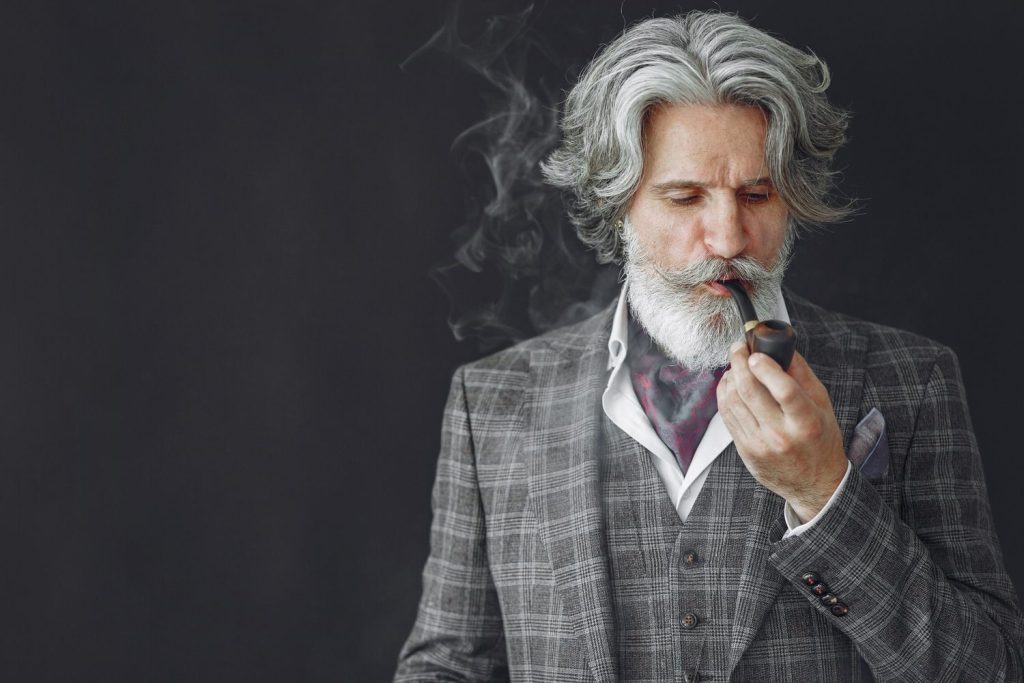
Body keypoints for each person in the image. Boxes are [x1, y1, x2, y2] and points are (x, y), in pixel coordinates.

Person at [395, 11, 1024, 682]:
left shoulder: (912, 380)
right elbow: (450, 665)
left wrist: (824, 489)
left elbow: (990, 668)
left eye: (758, 193)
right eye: (684, 196)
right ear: (617, 207)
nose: (728, 238)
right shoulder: (492, 402)